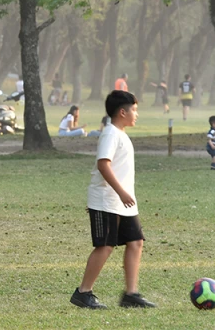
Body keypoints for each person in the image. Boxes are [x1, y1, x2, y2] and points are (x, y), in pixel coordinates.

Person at [70, 90, 155, 310]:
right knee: (105, 246)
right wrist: (120, 192)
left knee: (136, 242)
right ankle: (83, 293)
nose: (136, 114)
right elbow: (103, 164)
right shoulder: (110, 133)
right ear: (122, 111)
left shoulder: (121, 133)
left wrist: (126, 195)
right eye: (134, 110)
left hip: (124, 201)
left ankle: (131, 294)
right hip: (106, 200)